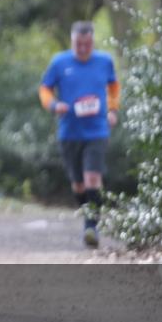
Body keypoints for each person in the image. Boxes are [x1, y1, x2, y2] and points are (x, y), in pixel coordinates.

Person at [39, 21, 120, 248]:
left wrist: (113, 110)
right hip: (70, 131)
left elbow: (114, 87)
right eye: (78, 44)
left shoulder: (104, 61)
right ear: (72, 41)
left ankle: (91, 227)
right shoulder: (59, 62)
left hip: (97, 130)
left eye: (87, 44)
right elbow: (44, 89)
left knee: (92, 178)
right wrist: (54, 105)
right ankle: (87, 215)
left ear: (92, 42)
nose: (83, 48)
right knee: (78, 185)